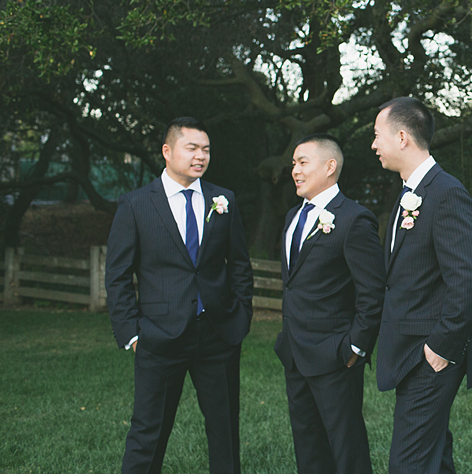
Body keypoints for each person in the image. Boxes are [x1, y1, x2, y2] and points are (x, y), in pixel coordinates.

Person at [106, 116, 253, 474]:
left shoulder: (223, 200)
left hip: (217, 334)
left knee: (225, 431)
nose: (201, 156)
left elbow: (239, 264)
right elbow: (118, 275)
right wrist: (132, 334)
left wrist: (240, 316)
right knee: (148, 432)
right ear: (167, 151)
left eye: (206, 149)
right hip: (159, 335)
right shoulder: (136, 204)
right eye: (192, 148)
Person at [370, 97, 472, 474]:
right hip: (407, 353)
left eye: (378, 135)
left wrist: (441, 348)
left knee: (408, 464)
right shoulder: (409, 193)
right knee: (434, 457)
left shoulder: (446, 192)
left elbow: (467, 278)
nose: (374, 145)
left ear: (402, 137)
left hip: (429, 356)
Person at [274, 133, 386, 474]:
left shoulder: (354, 219)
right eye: (293, 163)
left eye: (302, 162)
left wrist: (355, 346)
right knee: (308, 448)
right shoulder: (292, 217)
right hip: (295, 354)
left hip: (335, 356)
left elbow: (373, 292)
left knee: (346, 449)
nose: (295, 170)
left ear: (329, 166)